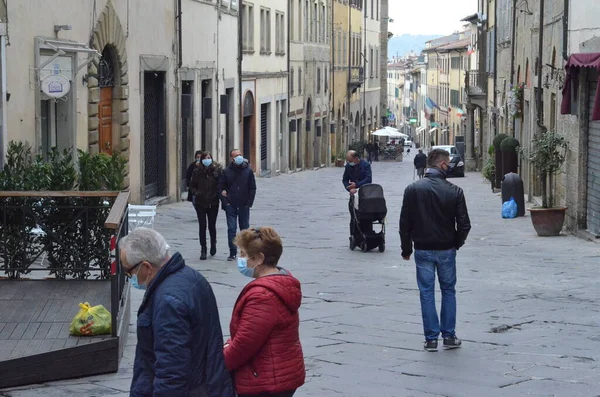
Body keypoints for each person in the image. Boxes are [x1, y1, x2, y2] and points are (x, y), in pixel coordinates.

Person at [122, 228, 235, 397]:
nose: (129, 277)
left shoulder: (168, 301)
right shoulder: (192, 277)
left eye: (128, 271)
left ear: (146, 267)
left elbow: (171, 371)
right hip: (208, 384)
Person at [399, 148, 471, 352]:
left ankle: (431, 339)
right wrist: (455, 243)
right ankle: (449, 336)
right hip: (446, 248)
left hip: (422, 248)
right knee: (448, 290)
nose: (448, 167)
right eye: (447, 164)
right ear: (442, 165)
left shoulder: (412, 189)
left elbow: (405, 223)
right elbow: (464, 225)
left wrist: (407, 249)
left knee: (426, 292)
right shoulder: (455, 191)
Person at [224, 227, 305, 397]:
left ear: (259, 259)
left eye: (244, 255)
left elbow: (244, 345)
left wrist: (217, 362)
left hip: (265, 380)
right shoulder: (282, 279)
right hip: (280, 374)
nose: (241, 259)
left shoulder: (263, 296)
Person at [218, 149, 257, 261]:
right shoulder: (226, 172)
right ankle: (232, 252)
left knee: (245, 229)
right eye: (236, 155)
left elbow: (252, 188)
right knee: (231, 229)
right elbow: (220, 188)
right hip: (231, 205)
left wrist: (249, 203)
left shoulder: (248, 171)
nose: (239, 157)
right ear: (232, 158)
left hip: (244, 205)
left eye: (240, 154)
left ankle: (245, 251)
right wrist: (226, 203)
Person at [190, 151, 223, 260]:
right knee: (202, 225)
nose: (207, 159)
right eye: (205, 158)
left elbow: (221, 184)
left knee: (212, 225)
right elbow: (192, 185)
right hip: (200, 202)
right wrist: (196, 192)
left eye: (209, 157)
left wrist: (219, 194)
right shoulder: (196, 171)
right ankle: (203, 248)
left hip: (213, 202)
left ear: (211, 159)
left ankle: (213, 244)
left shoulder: (217, 171)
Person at [342, 150, 373, 236]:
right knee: (353, 216)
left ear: (356, 159)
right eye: (348, 160)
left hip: (365, 194)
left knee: (366, 216)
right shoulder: (348, 166)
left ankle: (367, 234)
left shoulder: (366, 165)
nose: (348, 162)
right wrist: (349, 189)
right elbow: (345, 179)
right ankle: (354, 236)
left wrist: (357, 185)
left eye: (350, 160)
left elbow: (368, 179)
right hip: (353, 195)